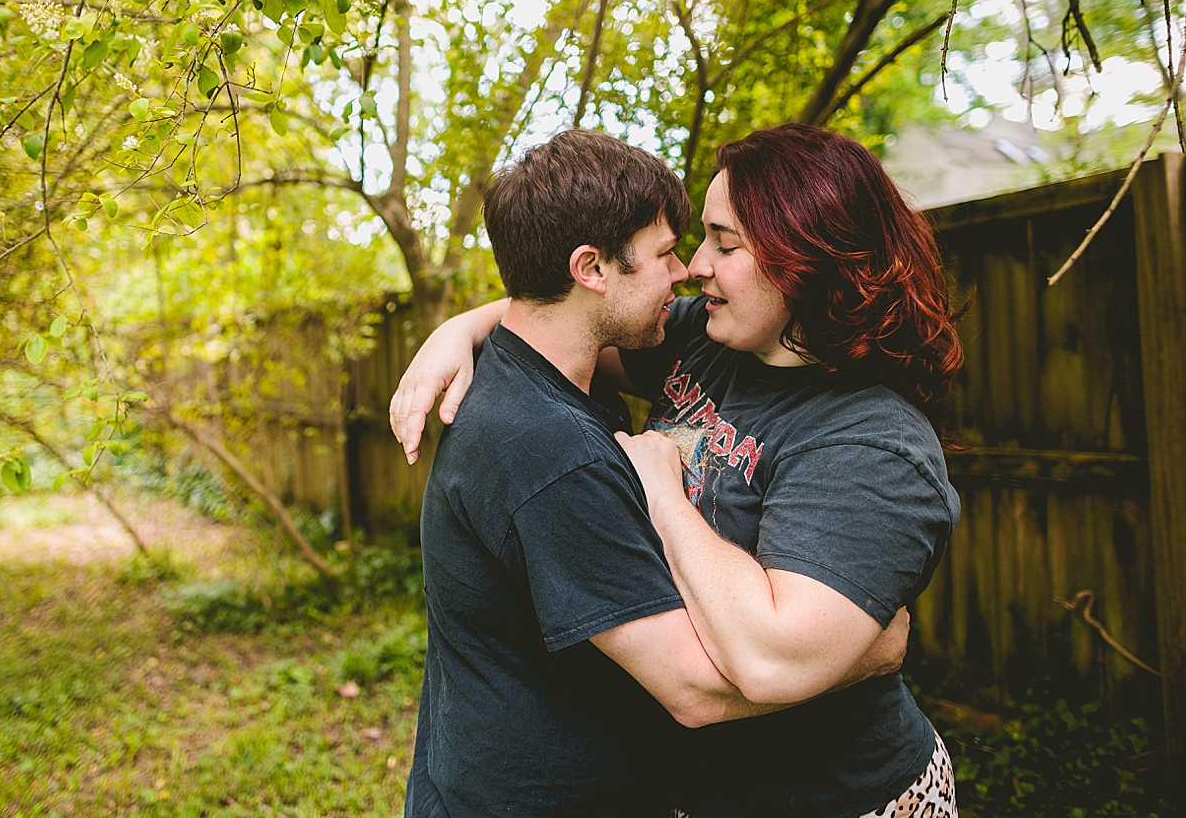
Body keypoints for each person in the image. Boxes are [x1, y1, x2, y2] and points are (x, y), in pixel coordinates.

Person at [392, 123, 962, 818]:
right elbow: (566, 315)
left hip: (834, 797)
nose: (694, 265)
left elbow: (769, 663)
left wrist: (663, 493)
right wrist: (455, 332)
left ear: (804, 260)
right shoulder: (711, 342)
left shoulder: (872, 446)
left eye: (725, 244)